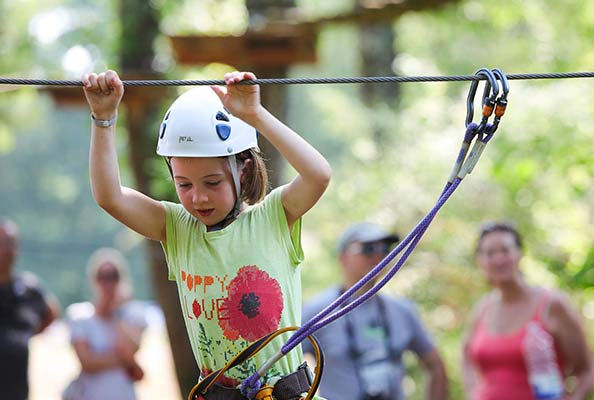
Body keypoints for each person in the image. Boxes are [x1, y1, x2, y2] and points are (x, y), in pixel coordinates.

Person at [82, 70, 331, 398]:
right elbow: (109, 197)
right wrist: (104, 119)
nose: (198, 197)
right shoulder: (176, 228)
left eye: (212, 183)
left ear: (242, 168)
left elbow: (318, 175)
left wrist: (255, 115)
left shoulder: (273, 217)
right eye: (184, 185)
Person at [302, 222, 449, 400]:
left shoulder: (402, 311)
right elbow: (282, 362)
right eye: (368, 248)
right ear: (343, 257)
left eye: (385, 248)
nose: (378, 255)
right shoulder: (319, 311)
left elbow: (435, 366)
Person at [462, 222, 594, 400]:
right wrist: (473, 392)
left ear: (519, 253)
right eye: (490, 253)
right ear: (480, 261)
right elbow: (466, 355)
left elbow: (586, 371)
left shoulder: (552, 305)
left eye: (505, 250)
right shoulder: (482, 308)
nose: (498, 259)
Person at [64, 248, 148, 400]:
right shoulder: (79, 315)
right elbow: (87, 363)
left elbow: (133, 348)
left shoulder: (132, 314)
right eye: (103, 277)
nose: (108, 283)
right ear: (93, 280)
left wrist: (115, 315)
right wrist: (123, 361)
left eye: (113, 276)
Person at [0, 218, 59, 400]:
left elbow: (51, 312)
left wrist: (24, 335)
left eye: (11, 243)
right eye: (2, 243)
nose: (7, 250)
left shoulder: (29, 289)